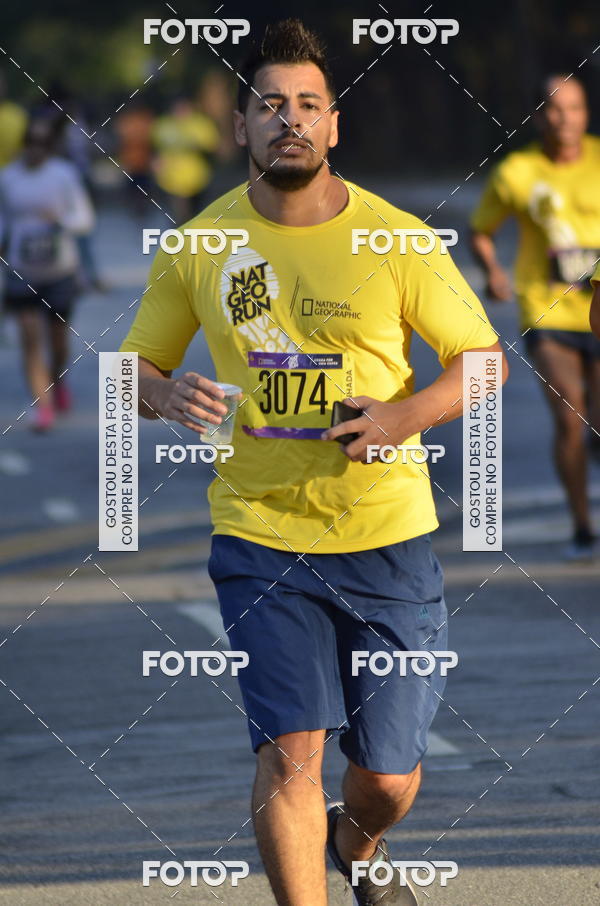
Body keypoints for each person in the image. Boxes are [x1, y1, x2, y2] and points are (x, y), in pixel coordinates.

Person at [121, 19, 507, 906]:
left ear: (334, 125)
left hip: (387, 536)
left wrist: (405, 414)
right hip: (259, 536)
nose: (288, 120)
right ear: (241, 129)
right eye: (269, 105)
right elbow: (133, 370)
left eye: (307, 105)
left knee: (389, 780)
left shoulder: (398, 238)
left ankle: (359, 844)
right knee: (291, 753)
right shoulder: (199, 247)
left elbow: (482, 360)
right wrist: (164, 392)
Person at [470, 75, 600, 560]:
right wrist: (493, 271)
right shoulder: (516, 173)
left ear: (586, 113)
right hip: (547, 311)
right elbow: (480, 230)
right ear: (538, 115)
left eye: (575, 108)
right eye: (553, 108)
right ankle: (584, 528)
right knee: (570, 418)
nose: (564, 118)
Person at [0, 118, 94, 431]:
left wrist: (61, 221)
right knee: (29, 338)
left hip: (59, 270)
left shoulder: (63, 175)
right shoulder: (8, 177)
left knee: (58, 344)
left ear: (49, 147)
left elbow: (84, 217)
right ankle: (43, 405)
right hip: (21, 270)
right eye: (30, 143)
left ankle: (56, 380)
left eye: (42, 144)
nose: (35, 150)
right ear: (23, 144)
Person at [152, 96, 220, 223]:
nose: (181, 111)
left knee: (197, 215)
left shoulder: (201, 124)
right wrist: (156, 161)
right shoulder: (163, 125)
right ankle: (179, 235)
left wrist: (198, 146)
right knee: (177, 216)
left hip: (198, 178)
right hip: (170, 179)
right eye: (177, 108)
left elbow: (214, 148)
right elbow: (154, 148)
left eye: (184, 108)